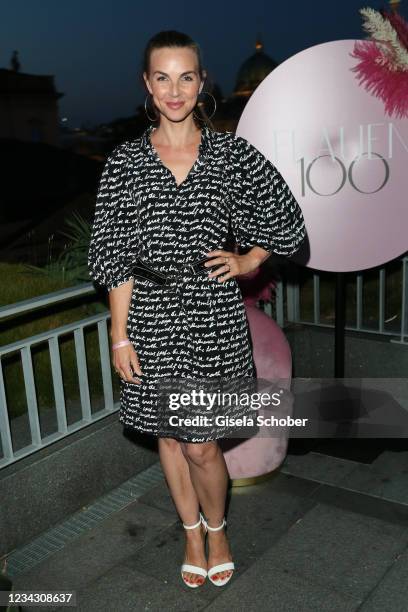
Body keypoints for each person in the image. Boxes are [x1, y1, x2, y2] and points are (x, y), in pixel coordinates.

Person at [87, 30, 306, 589]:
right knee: (170, 435)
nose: (175, 90)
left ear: (201, 82)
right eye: (163, 77)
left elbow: (287, 223)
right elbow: (114, 260)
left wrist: (248, 259)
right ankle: (190, 531)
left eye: (186, 76)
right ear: (147, 85)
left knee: (202, 443)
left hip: (213, 314)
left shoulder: (231, 156)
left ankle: (217, 526)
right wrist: (119, 336)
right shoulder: (123, 164)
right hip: (151, 317)